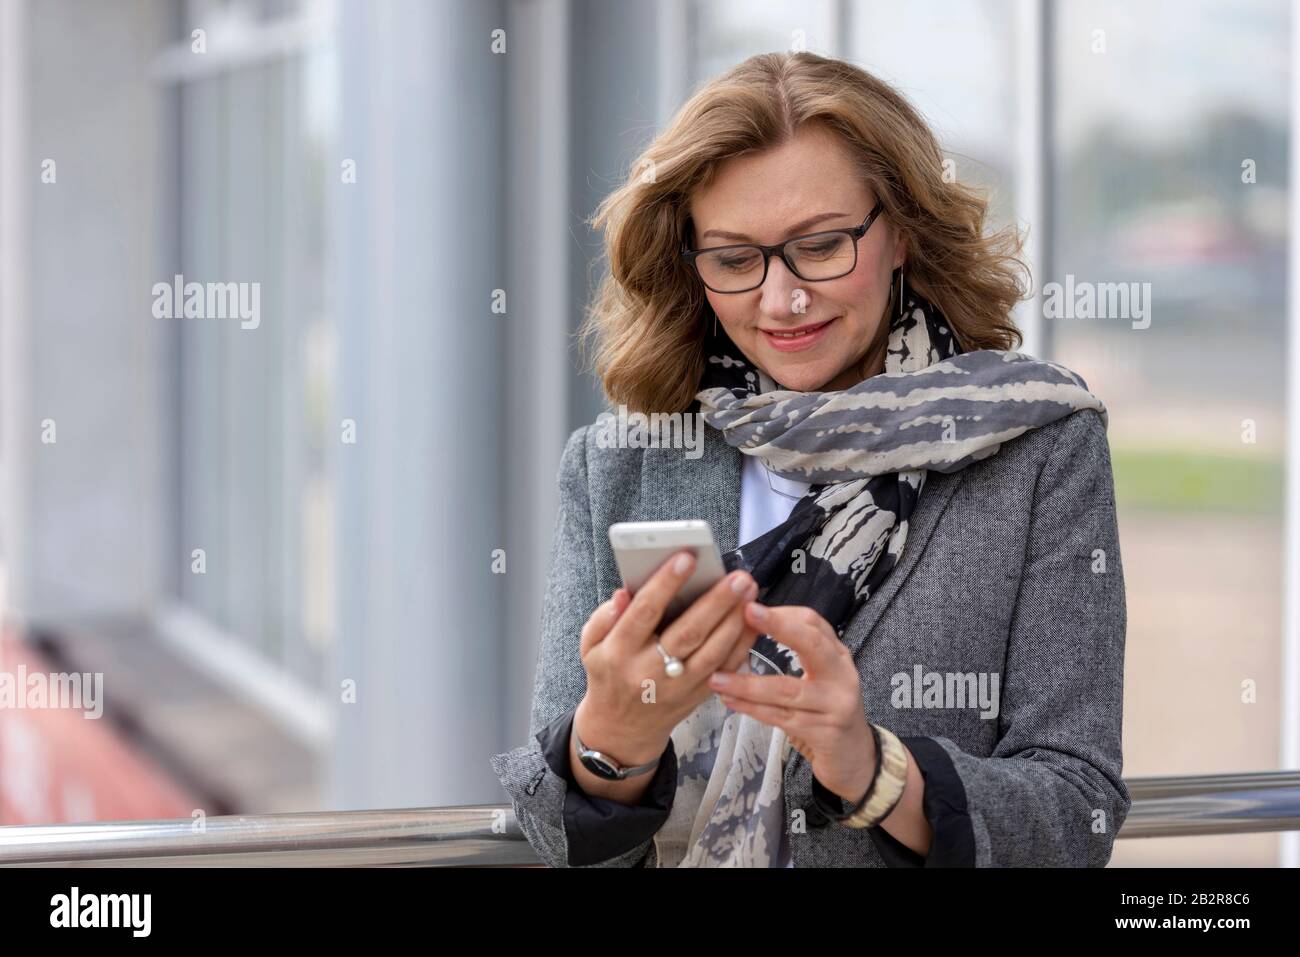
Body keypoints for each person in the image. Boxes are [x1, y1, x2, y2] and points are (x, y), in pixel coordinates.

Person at [491, 50, 1128, 867]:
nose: (780, 299)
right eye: (732, 258)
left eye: (821, 246)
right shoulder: (617, 464)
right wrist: (607, 743)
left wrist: (875, 769)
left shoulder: (1042, 445)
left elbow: (1080, 812)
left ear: (900, 231)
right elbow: (556, 838)